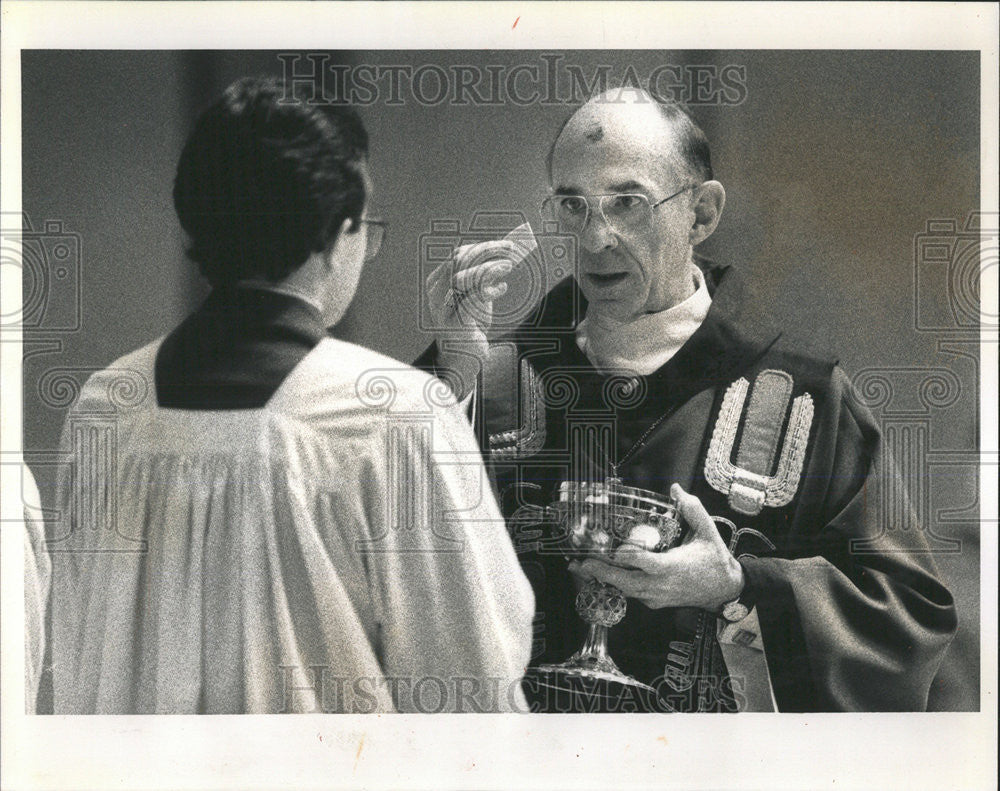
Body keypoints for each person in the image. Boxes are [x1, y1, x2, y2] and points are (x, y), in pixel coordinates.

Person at [421, 87, 957, 712]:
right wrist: (448, 383)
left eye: (628, 204)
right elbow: (373, 558)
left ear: (701, 214)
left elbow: (911, 620)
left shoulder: (807, 399)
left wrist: (737, 586)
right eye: (573, 206)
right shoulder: (489, 378)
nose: (596, 240)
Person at [47, 77, 534, 714]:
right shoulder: (397, 416)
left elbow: (79, 661)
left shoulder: (104, 408)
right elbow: (472, 689)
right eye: (369, 228)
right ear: (340, 230)